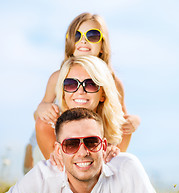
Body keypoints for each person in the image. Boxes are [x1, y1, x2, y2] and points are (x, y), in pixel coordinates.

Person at [0, 108, 163, 193]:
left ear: (104, 146)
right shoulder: (44, 175)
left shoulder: (127, 167)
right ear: (58, 150)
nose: (83, 152)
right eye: (71, 144)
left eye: (92, 142)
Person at [34, 12, 140, 160]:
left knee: (123, 128)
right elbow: (39, 115)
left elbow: (121, 119)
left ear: (102, 45)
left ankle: (112, 166)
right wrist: (42, 107)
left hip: (96, 137)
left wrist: (135, 121)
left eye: (92, 36)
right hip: (62, 136)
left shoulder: (113, 82)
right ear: (70, 43)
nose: (83, 41)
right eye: (77, 36)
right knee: (43, 125)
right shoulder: (58, 77)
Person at [36, 55, 125, 164]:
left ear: (103, 94)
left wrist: (114, 156)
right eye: (71, 84)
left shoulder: (120, 129)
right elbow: (65, 176)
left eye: (91, 84)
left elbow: (114, 175)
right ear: (63, 93)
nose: (80, 91)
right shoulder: (46, 125)